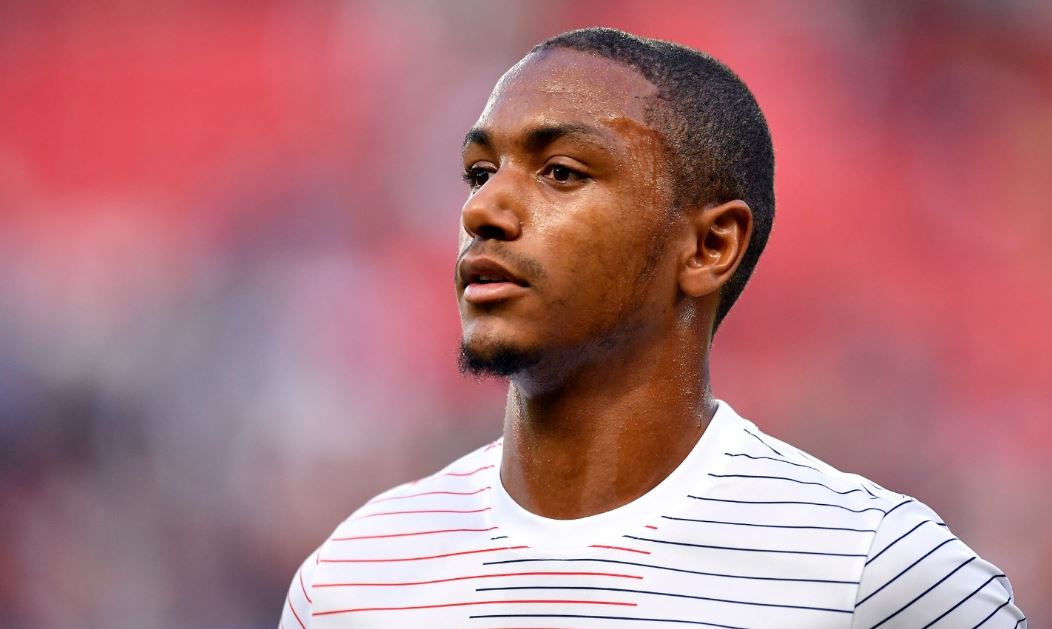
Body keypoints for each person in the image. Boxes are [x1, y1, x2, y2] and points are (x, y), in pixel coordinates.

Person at [279, 27, 1025, 628]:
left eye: (561, 172)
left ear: (709, 247)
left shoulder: (872, 569)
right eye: (480, 173)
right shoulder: (353, 578)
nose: (483, 210)